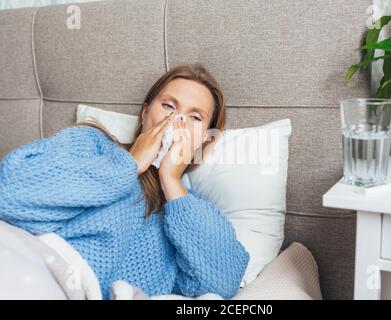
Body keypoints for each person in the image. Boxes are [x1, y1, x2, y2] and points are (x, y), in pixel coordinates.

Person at [0, 64, 250, 299]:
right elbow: (9, 192)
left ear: (204, 140)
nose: (178, 122)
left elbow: (224, 281)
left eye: (195, 117)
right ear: (144, 112)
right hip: (27, 263)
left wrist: (171, 181)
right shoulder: (92, 145)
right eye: (169, 106)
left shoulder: (192, 217)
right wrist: (128, 165)